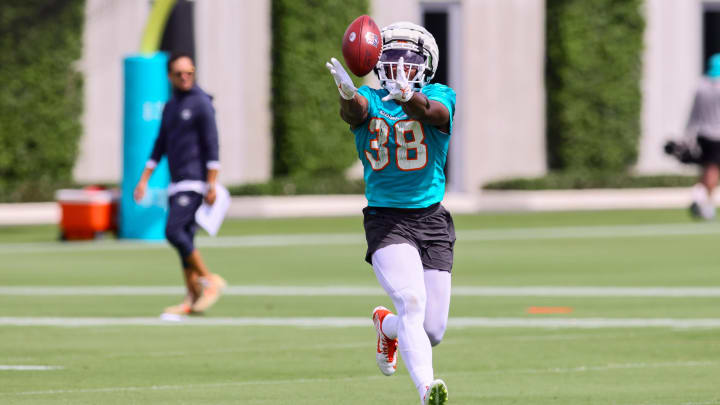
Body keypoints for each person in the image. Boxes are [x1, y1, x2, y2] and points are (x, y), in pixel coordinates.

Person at [326, 22, 455, 405]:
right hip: (387, 220)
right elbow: (356, 112)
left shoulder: (439, 95)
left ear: (426, 65)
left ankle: (387, 326)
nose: (400, 65)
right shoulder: (370, 98)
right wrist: (347, 95)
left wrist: (408, 98)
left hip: (432, 220)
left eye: (409, 59)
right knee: (412, 302)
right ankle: (427, 390)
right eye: (393, 57)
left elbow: (433, 114)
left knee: (432, 329)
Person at [134, 52, 226, 315]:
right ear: (170, 76)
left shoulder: (201, 103)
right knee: (184, 238)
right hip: (177, 182)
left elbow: (212, 144)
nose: (185, 77)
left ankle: (209, 281)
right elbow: (159, 145)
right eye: (179, 74)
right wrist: (144, 180)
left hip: (195, 181)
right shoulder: (171, 106)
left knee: (173, 232)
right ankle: (192, 297)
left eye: (189, 72)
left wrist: (211, 183)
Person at [684, 53, 720, 220]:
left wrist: (688, 133)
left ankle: (703, 200)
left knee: (707, 169)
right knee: (713, 170)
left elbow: (693, 113)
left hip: (702, 134)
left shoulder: (701, 86)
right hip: (717, 134)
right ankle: (702, 200)